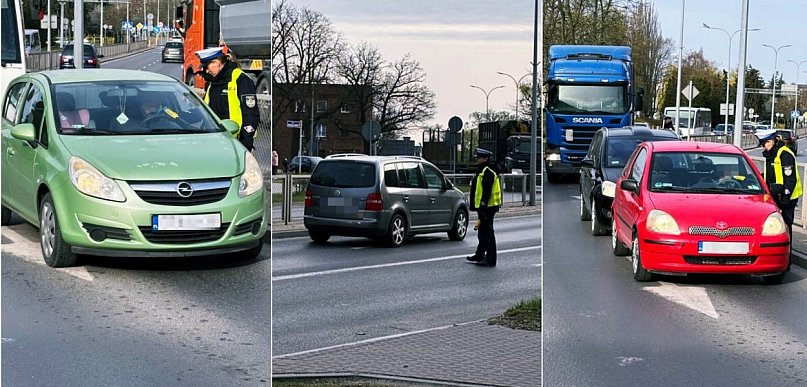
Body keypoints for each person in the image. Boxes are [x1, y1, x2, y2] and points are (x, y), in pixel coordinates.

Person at [195, 47, 259, 151]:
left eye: (207, 66)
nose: (206, 71)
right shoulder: (213, 82)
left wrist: (245, 143)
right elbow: (208, 110)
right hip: (214, 140)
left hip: (236, 141)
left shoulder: (241, 79)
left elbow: (251, 114)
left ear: (216, 63)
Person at [761, 132, 802, 270]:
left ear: (773, 141)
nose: (764, 146)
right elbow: (770, 175)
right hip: (775, 196)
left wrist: (785, 198)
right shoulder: (771, 154)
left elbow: (790, 179)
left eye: (766, 143)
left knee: (786, 227)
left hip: (787, 197)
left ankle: (787, 261)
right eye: (763, 144)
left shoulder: (784, 154)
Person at [466, 148, 502, 267]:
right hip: (484, 207)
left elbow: (487, 191)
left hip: (487, 207)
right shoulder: (482, 170)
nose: (477, 159)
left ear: (485, 158)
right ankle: (480, 254)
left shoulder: (488, 171)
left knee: (487, 232)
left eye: (479, 157)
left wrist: (482, 206)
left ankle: (490, 259)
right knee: (482, 231)